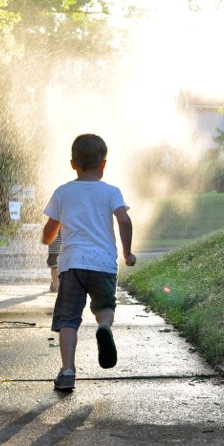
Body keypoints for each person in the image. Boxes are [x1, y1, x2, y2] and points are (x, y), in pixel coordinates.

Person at [42, 133, 135, 392]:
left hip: (72, 265)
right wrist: (127, 254)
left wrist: (47, 236)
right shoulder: (111, 192)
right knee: (105, 307)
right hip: (103, 264)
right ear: (103, 163)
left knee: (68, 319)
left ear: (73, 163)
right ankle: (104, 327)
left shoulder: (63, 192)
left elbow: (50, 230)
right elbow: (124, 221)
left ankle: (68, 370)